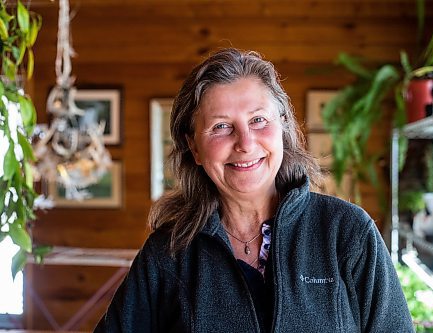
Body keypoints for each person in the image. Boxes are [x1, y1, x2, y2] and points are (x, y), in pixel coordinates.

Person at [94, 48, 413, 332]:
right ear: (194, 147)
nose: (245, 143)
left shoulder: (347, 232)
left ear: (283, 127)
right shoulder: (168, 254)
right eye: (221, 126)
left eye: (258, 120)